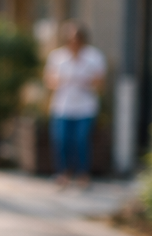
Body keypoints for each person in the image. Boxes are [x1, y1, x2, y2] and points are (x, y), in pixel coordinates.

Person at [44, 20, 106, 189]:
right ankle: (62, 174)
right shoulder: (57, 57)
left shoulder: (94, 57)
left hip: (85, 107)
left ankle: (83, 175)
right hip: (62, 106)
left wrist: (86, 81)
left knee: (81, 140)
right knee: (62, 140)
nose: (74, 43)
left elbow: (100, 82)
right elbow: (49, 81)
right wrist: (64, 79)